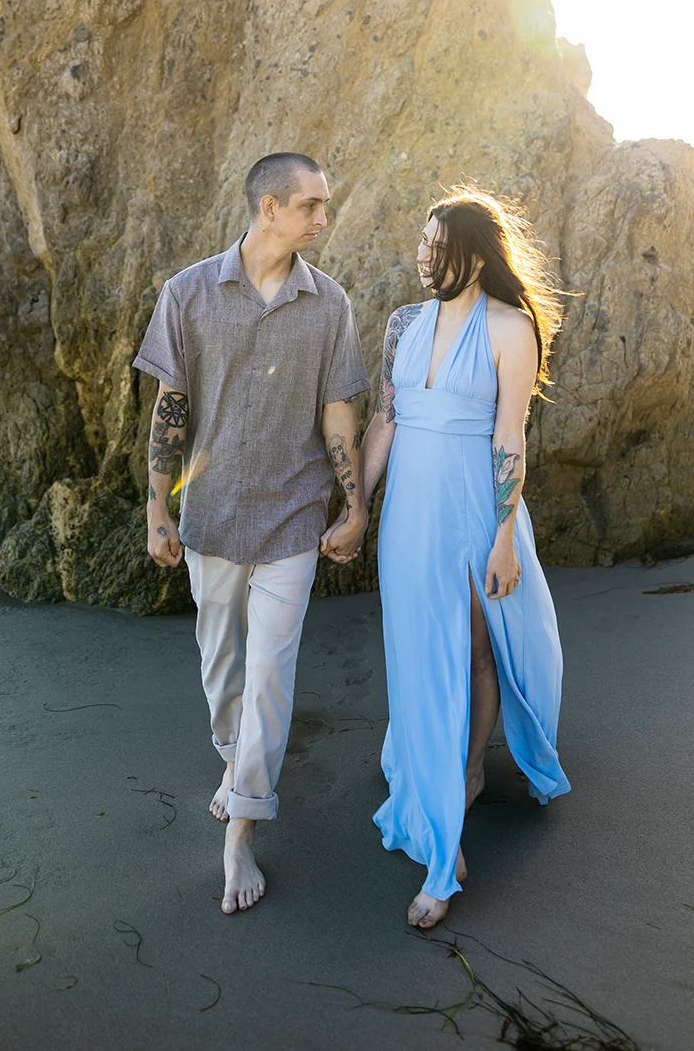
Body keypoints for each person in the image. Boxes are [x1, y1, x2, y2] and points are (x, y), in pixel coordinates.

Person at [132, 153, 370, 915]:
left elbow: (340, 412)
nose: (323, 219)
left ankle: (241, 833)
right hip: (212, 512)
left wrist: (353, 505)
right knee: (222, 664)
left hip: (295, 518)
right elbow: (170, 410)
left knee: (271, 674)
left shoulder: (330, 305)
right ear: (270, 208)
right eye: (312, 206)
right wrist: (157, 510)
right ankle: (237, 766)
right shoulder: (189, 293)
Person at [357, 184, 570, 928]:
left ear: (475, 257)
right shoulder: (402, 324)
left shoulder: (512, 329)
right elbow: (384, 422)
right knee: (421, 655)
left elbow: (510, 439)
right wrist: (355, 508)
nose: (423, 256)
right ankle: (437, 782)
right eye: (420, 243)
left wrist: (505, 535)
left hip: (477, 510)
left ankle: (458, 805)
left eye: (438, 246)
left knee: (479, 655)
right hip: (408, 518)